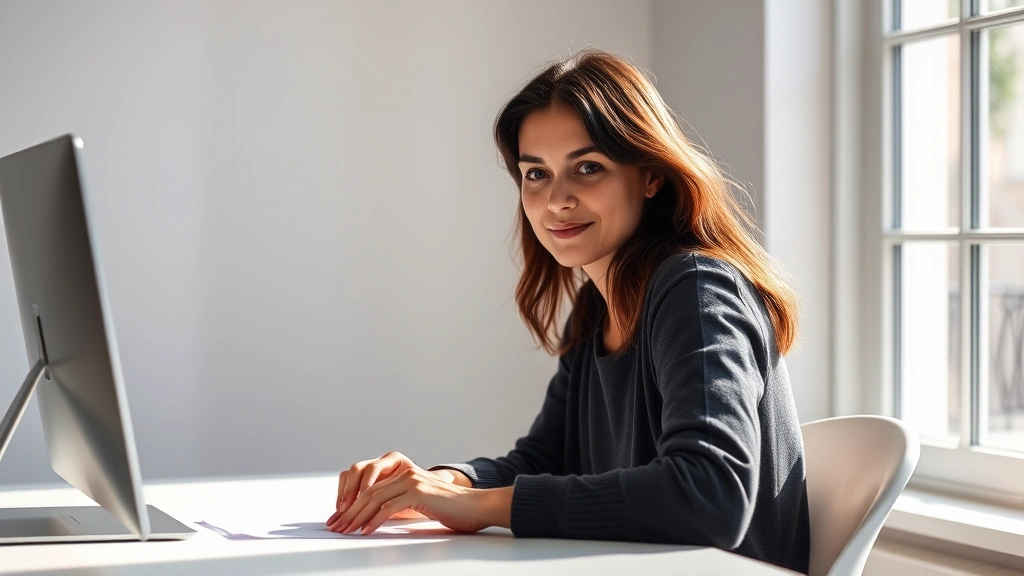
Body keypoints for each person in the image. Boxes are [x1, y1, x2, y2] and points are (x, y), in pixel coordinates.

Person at [325, 49, 810, 574]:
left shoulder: (696, 289)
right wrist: (442, 482)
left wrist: (479, 507)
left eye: (587, 168)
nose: (556, 199)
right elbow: (543, 459)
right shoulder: (595, 307)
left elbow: (710, 495)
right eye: (536, 173)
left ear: (650, 175)